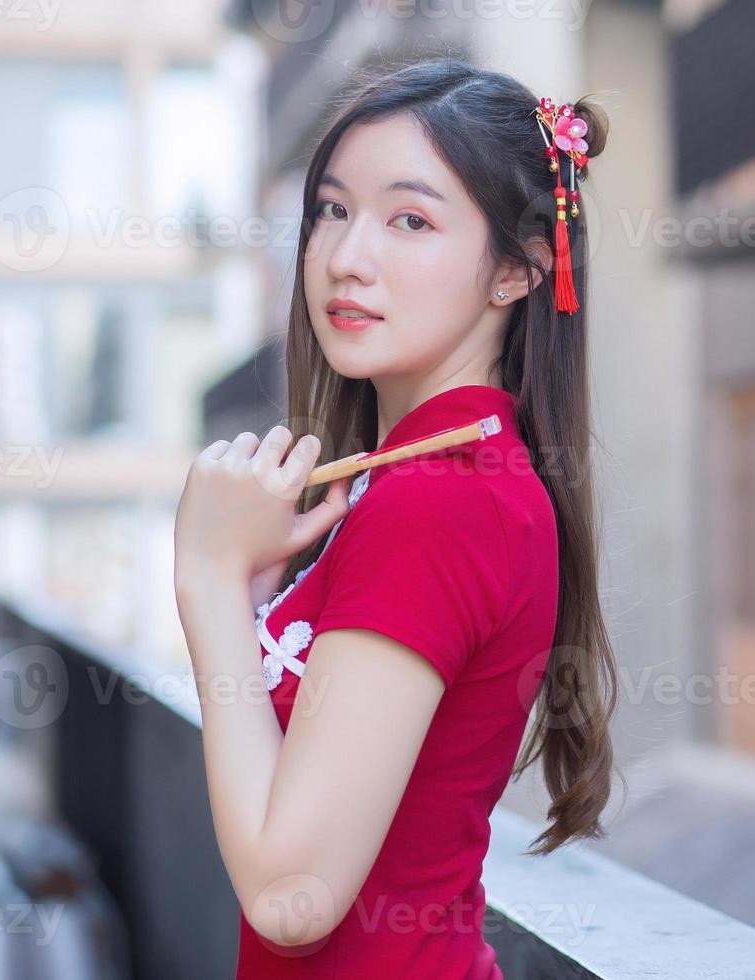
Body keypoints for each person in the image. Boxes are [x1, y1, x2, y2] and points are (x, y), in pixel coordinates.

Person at [172, 57, 620, 979]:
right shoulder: (416, 476)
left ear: (520, 268)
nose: (346, 256)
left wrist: (209, 586)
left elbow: (291, 895)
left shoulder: (444, 500)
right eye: (332, 210)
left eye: (409, 220)